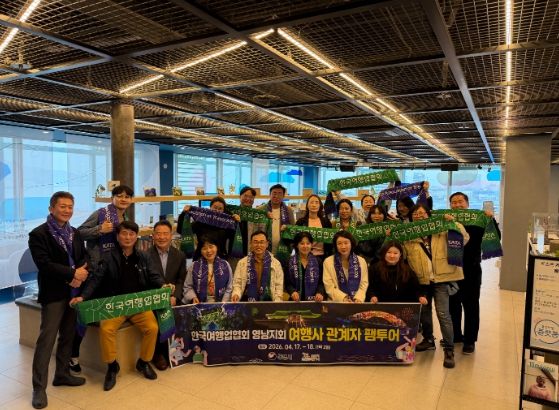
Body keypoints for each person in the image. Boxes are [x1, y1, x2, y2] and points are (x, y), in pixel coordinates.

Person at [71, 221, 165, 391]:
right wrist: (82, 297)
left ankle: (143, 362)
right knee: (106, 329)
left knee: (152, 328)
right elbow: (95, 279)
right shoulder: (107, 257)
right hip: (115, 305)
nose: (128, 237)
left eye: (131, 234)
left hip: (137, 303)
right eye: (124, 233)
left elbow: (154, 275)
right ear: (117, 236)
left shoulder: (143, 256)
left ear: (136, 237)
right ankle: (112, 366)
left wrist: (163, 285)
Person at [28, 191, 88, 409]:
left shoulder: (75, 232)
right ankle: (38, 388)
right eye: (62, 206)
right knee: (47, 340)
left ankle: (62, 374)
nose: (67, 210)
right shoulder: (38, 234)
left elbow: (84, 257)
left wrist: (81, 274)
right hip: (53, 294)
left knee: (68, 336)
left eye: (70, 207)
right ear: (51, 208)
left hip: (74, 293)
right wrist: (72, 274)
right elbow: (44, 264)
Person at [73, 184, 134, 374]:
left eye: (127, 196)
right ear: (112, 198)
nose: (123, 199)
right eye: (119, 195)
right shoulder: (101, 214)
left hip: (114, 272)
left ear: (131, 200)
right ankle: (73, 356)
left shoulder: (126, 218)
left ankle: (110, 363)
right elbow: (79, 233)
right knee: (85, 313)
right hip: (97, 271)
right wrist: (100, 229)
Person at [402, 204, 469, 369]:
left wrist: (453, 223)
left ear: (429, 215)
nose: (419, 216)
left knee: (443, 314)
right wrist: (392, 237)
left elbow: (464, 238)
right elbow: (401, 254)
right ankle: (429, 339)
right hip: (422, 281)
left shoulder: (442, 230)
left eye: (422, 213)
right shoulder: (408, 236)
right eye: (415, 213)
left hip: (442, 279)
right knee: (424, 313)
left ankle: (449, 349)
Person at [448, 192, 501, 354]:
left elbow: (495, 237)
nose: (457, 205)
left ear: (467, 203)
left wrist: (491, 220)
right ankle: (456, 335)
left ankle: (470, 340)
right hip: (451, 269)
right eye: (454, 202)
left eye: (460, 201)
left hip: (471, 268)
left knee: (471, 305)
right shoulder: (447, 220)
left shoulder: (479, 219)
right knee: (453, 304)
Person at [146, 220, 187, 371]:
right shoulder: (145, 255)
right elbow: (145, 281)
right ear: (153, 235)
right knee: (157, 317)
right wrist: (161, 296)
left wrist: (175, 296)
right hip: (154, 298)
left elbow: (181, 280)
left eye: (165, 233)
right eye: (158, 234)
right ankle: (158, 354)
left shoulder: (180, 255)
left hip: (173, 297)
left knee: (184, 314)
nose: (162, 237)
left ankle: (176, 350)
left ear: (171, 235)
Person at [366, 240, 427, 305]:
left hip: (402, 307)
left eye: (395, 253)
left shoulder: (407, 270)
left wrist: (420, 297)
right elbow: (369, 287)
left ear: (400, 255)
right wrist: (372, 296)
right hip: (380, 306)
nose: (392, 256)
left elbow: (416, 288)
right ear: (384, 253)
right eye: (389, 252)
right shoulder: (374, 269)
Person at [231, 231, 284, 302]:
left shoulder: (276, 264)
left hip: (269, 301)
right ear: (251, 244)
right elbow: (237, 283)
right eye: (255, 242)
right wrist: (236, 294)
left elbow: (279, 286)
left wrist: (277, 301)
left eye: (262, 242)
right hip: (247, 301)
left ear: (267, 244)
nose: (259, 245)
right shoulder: (242, 263)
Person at [183, 236, 233, 303]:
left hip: (222, 304)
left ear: (217, 247)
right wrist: (193, 297)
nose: (208, 251)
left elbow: (229, 287)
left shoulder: (225, 265)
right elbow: (188, 286)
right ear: (201, 251)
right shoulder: (194, 266)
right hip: (200, 304)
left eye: (211, 247)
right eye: (204, 248)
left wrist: (223, 303)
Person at [323, 230, 368, 302]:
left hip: (356, 302)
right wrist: (343, 298)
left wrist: (358, 298)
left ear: (351, 244)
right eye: (339, 243)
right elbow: (329, 286)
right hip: (336, 303)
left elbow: (364, 283)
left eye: (346, 243)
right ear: (335, 246)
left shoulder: (361, 261)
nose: (343, 246)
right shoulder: (328, 261)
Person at [283, 232, 325, 302]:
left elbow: (321, 282)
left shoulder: (318, 261)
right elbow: (287, 283)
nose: (305, 246)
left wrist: (320, 292)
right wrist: (292, 292)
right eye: (302, 243)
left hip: (314, 301)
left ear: (311, 245)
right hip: (295, 301)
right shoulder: (289, 261)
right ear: (297, 245)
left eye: (308, 243)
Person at [258, 184, 294, 254]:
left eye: (280, 194)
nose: (277, 196)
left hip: (284, 249)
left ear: (283, 196)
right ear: (270, 195)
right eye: (274, 193)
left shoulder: (289, 210)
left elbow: (292, 229)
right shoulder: (261, 210)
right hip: (263, 249)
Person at [295, 194, 332, 260]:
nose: (314, 205)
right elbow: (295, 239)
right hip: (305, 257)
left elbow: (331, 240)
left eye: (316, 202)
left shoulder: (326, 222)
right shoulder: (300, 222)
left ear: (320, 205)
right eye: (311, 202)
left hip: (323, 257)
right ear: (307, 205)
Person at [235, 186, 267, 256]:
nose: (248, 199)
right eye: (245, 196)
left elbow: (262, 234)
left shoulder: (257, 215)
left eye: (251, 197)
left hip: (252, 253)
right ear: (240, 197)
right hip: (234, 251)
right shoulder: (233, 212)